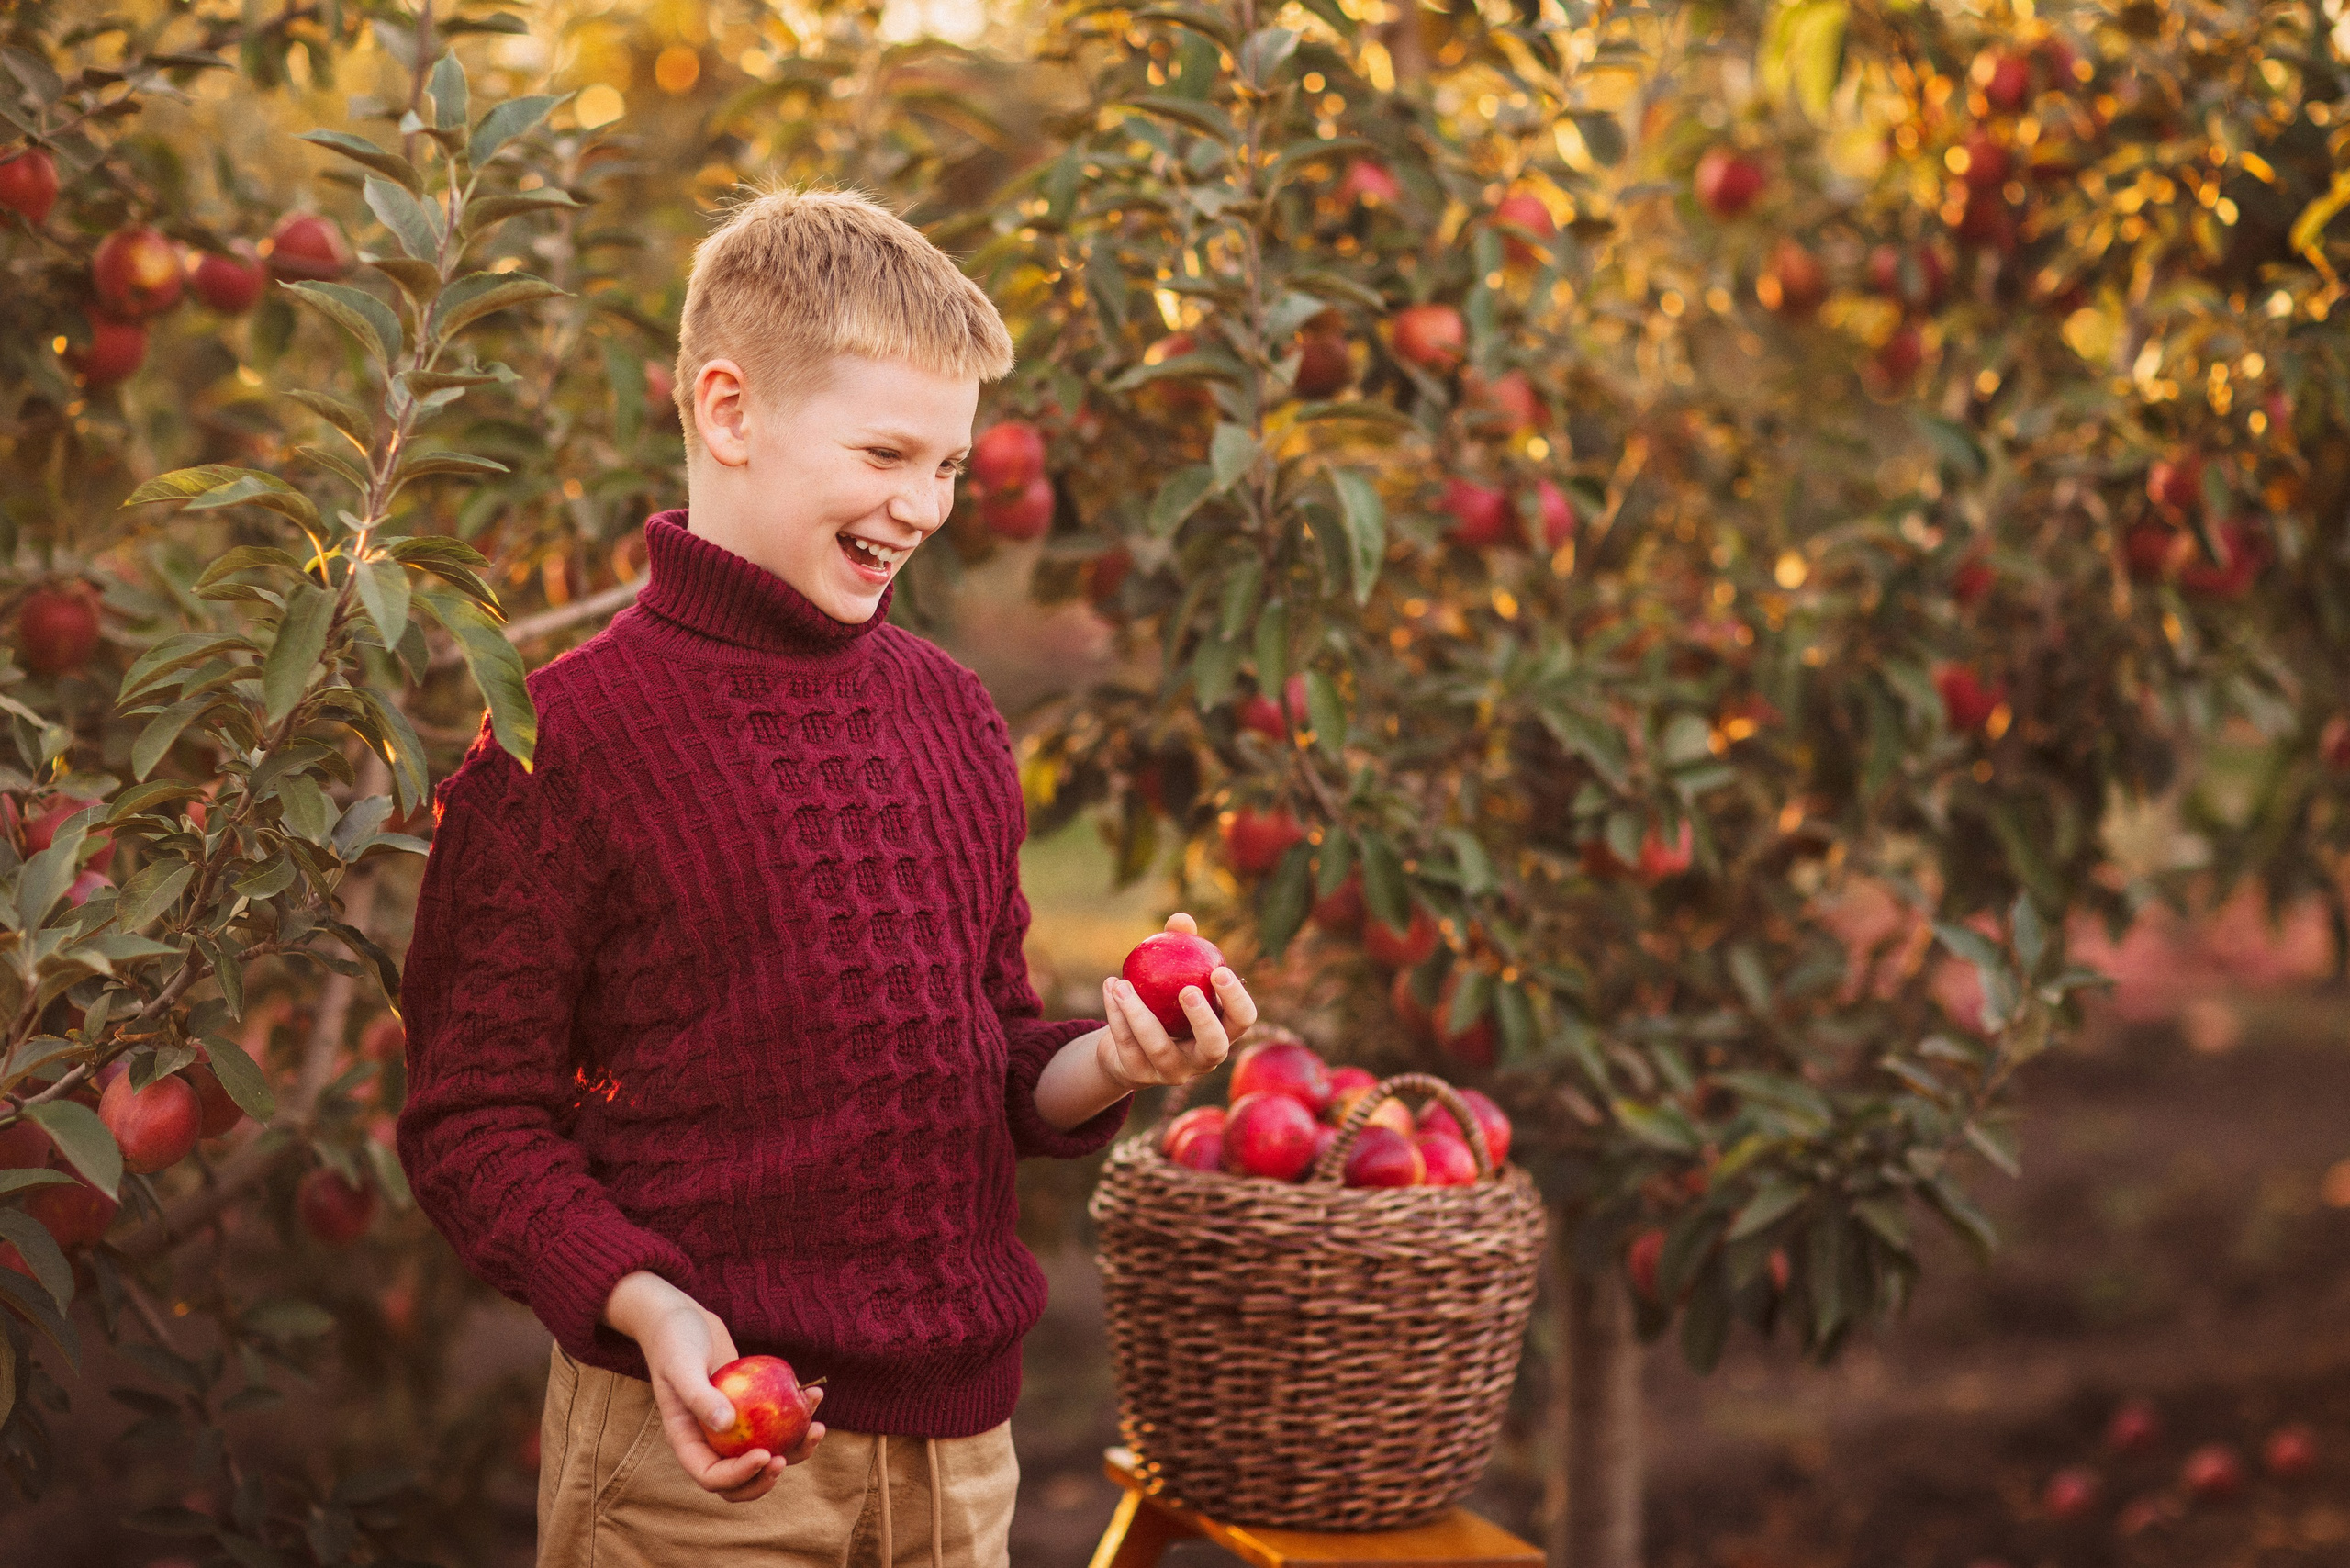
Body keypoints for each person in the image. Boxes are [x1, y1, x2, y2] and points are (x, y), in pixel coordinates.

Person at [396, 186, 1258, 1567]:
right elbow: (469, 1120)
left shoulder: (954, 715)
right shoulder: (563, 741)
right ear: (729, 415)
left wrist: (1118, 1059)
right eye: (885, 453)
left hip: (963, 1464)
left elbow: (983, 1058)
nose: (922, 507)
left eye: (953, 469)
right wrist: (648, 1305)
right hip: (697, 1465)